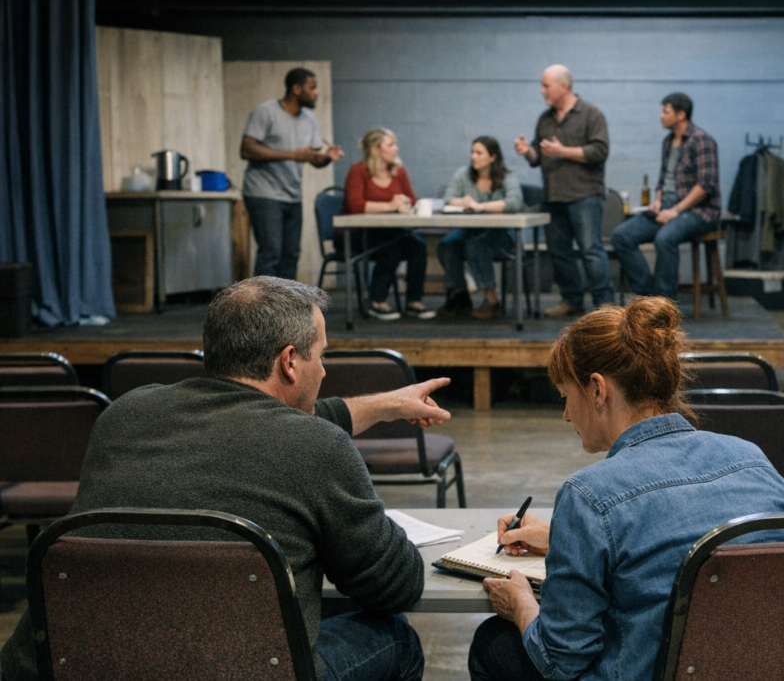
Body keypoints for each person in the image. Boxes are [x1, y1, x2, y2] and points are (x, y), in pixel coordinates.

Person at [0, 276, 449, 681]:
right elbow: (394, 585)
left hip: (80, 665)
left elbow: (266, 422)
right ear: (290, 361)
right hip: (248, 671)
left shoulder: (125, 414)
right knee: (395, 637)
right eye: (322, 354)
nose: (326, 370)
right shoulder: (318, 447)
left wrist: (388, 404)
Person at [467, 296, 784, 681]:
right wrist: (563, 537)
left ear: (597, 390)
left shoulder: (590, 495)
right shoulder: (753, 460)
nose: (565, 415)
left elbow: (562, 659)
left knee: (493, 643)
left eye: (566, 397)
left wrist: (521, 604)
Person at [514, 64, 615, 317]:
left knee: (591, 251)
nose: (542, 91)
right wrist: (528, 152)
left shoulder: (591, 114)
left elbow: (599, 152)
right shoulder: (545, 119)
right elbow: (539, 156)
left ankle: (606, 305)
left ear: (564, 86)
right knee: (560, 253)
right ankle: (572, 300)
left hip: (584, 196)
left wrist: (562, 151)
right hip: (553, 196)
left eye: (546, 86)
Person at [611, 92, 720, 300]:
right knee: (621, 236)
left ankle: (663, 304)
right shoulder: (668, 142)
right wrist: (658, 201)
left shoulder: (702, 141)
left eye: (665, 111)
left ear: (681, 115)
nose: (661, 116)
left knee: (664, 238)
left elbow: (705, 186)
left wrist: (675, 211)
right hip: (668, 206)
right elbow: (663, 179)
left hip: (699, 211)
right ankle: (648, 295)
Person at [241, 67, 343, 280]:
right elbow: (247, 149)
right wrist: (291, 154)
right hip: (263, 193)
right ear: (296, 89)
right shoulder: (266, 111)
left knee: (291, 254)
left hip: (292, 194)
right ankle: (259, 310)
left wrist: (327, 157)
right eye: (312, 87)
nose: (316, 93)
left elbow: (312, 158)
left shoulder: (309, 119)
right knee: (271, 253)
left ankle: (286, 309)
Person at [337, 127, 435, 321]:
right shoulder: (359, 171)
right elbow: (355, 205)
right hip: (357, 233)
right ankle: (377, 301)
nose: (396, 149)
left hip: (389, 231)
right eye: (390, 145)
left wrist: (403, 203)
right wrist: (390, 205)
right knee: (391, 251)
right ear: (375, 149)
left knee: (417, 246)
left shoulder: (398, 171)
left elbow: (412, 200)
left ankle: (414, 301)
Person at [437, 136, 524, 320]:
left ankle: (491, 300)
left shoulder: (507, 176)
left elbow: (515, 203)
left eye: (479, 153)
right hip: (470, 229)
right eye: (472, 152)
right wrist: (463, 201)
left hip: (500, 233)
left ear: (492, 157)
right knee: (447, 244)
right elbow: (448, 199)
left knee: (475, 245)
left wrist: (481, 206)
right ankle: (460, 295)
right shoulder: (463, 174)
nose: (473, 157)